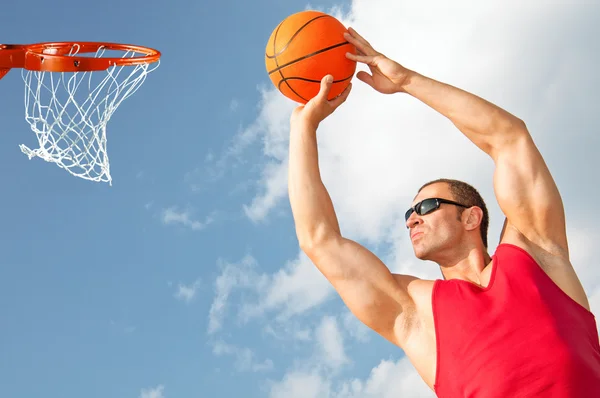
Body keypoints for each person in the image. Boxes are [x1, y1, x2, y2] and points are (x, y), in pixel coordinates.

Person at [287, 27, 600, 397]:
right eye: (409, 211)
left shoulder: (537, 254)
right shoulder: (416, 314)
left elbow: (510, 139)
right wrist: (303, 126)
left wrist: (406, 80)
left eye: (427, 206)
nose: (411, 218)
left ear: (471, 217)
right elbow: (319, 240)